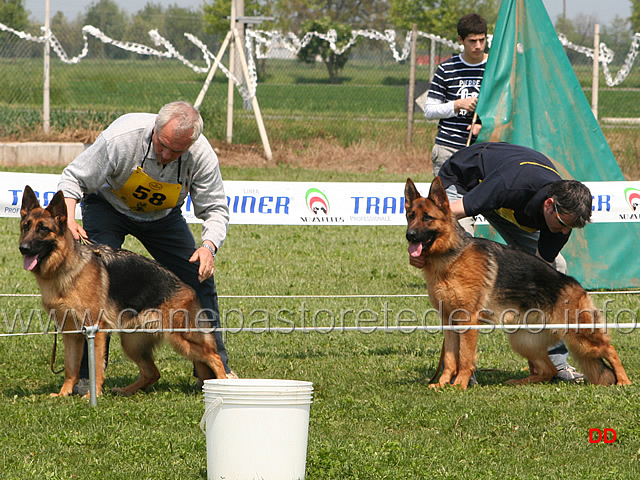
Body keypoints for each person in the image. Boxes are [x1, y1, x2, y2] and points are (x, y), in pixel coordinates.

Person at [58, 101, 235, 394]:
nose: (165, 155)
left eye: (175, 152)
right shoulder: (121, 137)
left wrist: (208, 246)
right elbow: (73, 178)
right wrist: (68, 217)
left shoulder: (202, 155)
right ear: (155, 128)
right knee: (91, 284)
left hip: (163, 218)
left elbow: (215, 208)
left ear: (189, 145)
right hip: (108, 207)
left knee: (198, 277)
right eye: (161, 144)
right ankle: (88, 377)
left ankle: (217, 372)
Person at [410, 141, 593, 383]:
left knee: (555, 270)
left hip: (504, 204)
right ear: (550, 205)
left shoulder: (562, 220)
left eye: (569, 227)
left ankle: (555, 364)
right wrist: (422, 248)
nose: (563, 232)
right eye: (562, 224)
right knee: (460, 261)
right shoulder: (511, 184)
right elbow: (443, 218)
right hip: (466, 184)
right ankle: (457, 372)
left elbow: (539, 273)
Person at [424, 13, 488, 176]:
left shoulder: (495, 68)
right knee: (446, 202)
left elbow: (508, 109)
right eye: (472, 41)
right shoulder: (446, 69)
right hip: (448, 149)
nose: (478, 46)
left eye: (482, 40)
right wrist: (457, 105)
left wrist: (485, 126)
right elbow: (429, 111)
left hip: (485, 150)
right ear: (460, 40)